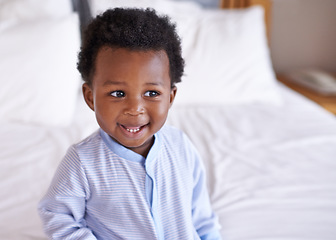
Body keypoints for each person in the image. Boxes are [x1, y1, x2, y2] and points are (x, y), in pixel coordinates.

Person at [38, 8, 221, 240]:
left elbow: (202, 219)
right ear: (90, 97)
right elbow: (57, 216)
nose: (135, 108)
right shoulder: (82, 163)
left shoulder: (181, 147)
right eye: (117, 93)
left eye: (152, 92)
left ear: (171, 97)